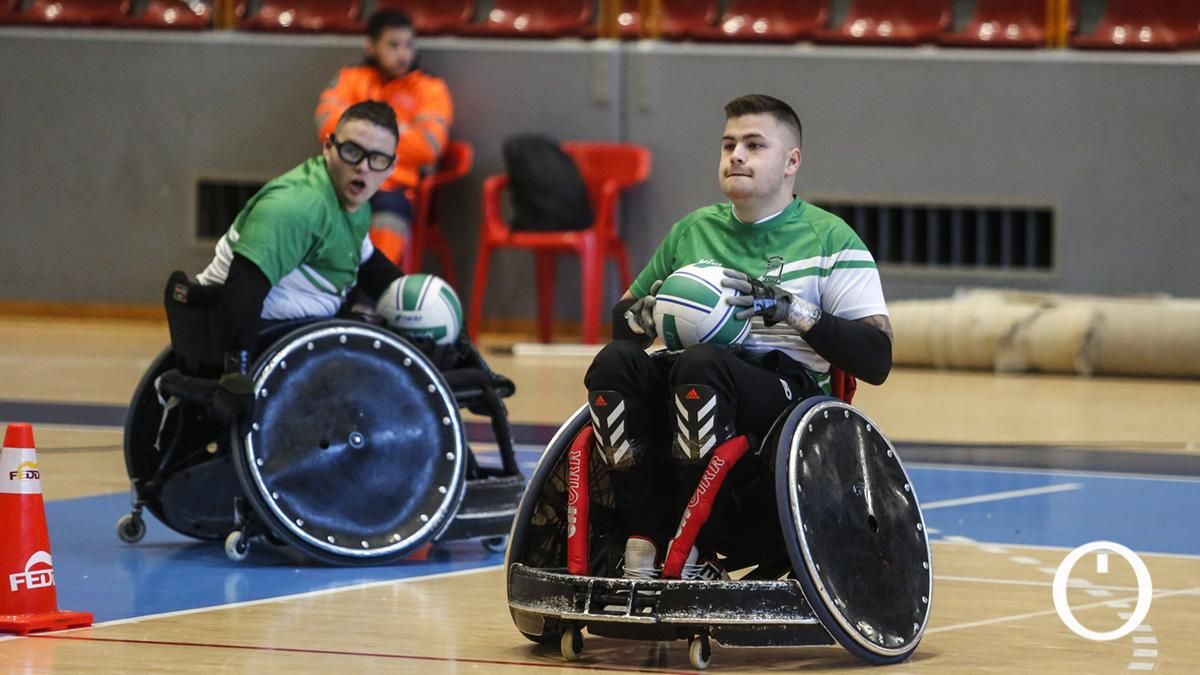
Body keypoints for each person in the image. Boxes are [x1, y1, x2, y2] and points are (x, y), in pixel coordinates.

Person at [584, 94, 894, 581]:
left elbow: (876, 359)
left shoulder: (830, 239)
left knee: (702, 364)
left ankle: (697, 546)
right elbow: (623, 322)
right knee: (614, 363)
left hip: (783, 394)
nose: (737, 156)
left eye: (754, 145)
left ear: (792, 161)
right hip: (691, 378)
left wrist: (793, 309)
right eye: (729, 144)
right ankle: (642, 537)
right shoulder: (692, 231)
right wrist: (639, 318)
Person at [195, 100, 404, 410]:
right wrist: (235, 374)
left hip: (298, 330)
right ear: (329, 147)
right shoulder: (296, 207)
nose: (362, 166)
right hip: (253, 332)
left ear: (391, 166)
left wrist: (420, 302)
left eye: (377, 159)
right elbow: (243, 286)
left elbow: (371, 267)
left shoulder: (353, 205)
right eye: (352, 152)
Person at [314, 9, 454, 266]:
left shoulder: (431, 89)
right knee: (304, 206)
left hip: (395, 188)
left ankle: (369, 302)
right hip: (341, 182)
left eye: (408, 45)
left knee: (388, 215)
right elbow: (326, 125)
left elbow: (428, 146)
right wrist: (399, 130)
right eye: (393, 45)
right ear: (371, 46)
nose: (403, 54)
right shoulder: (350, 78)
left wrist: (358, 132)